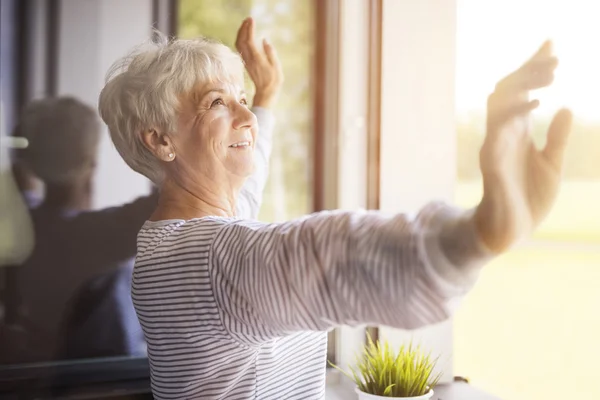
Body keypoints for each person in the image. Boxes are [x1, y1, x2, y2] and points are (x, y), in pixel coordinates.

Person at [98, 16, 572, 400]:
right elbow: (325, 257)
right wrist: (478, 234)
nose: (245, 118)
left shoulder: (169, 240)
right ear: (161, 140)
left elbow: (246, 186)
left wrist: (263, 100)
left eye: (240, 99)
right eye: (217, 102)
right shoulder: (209, 261)